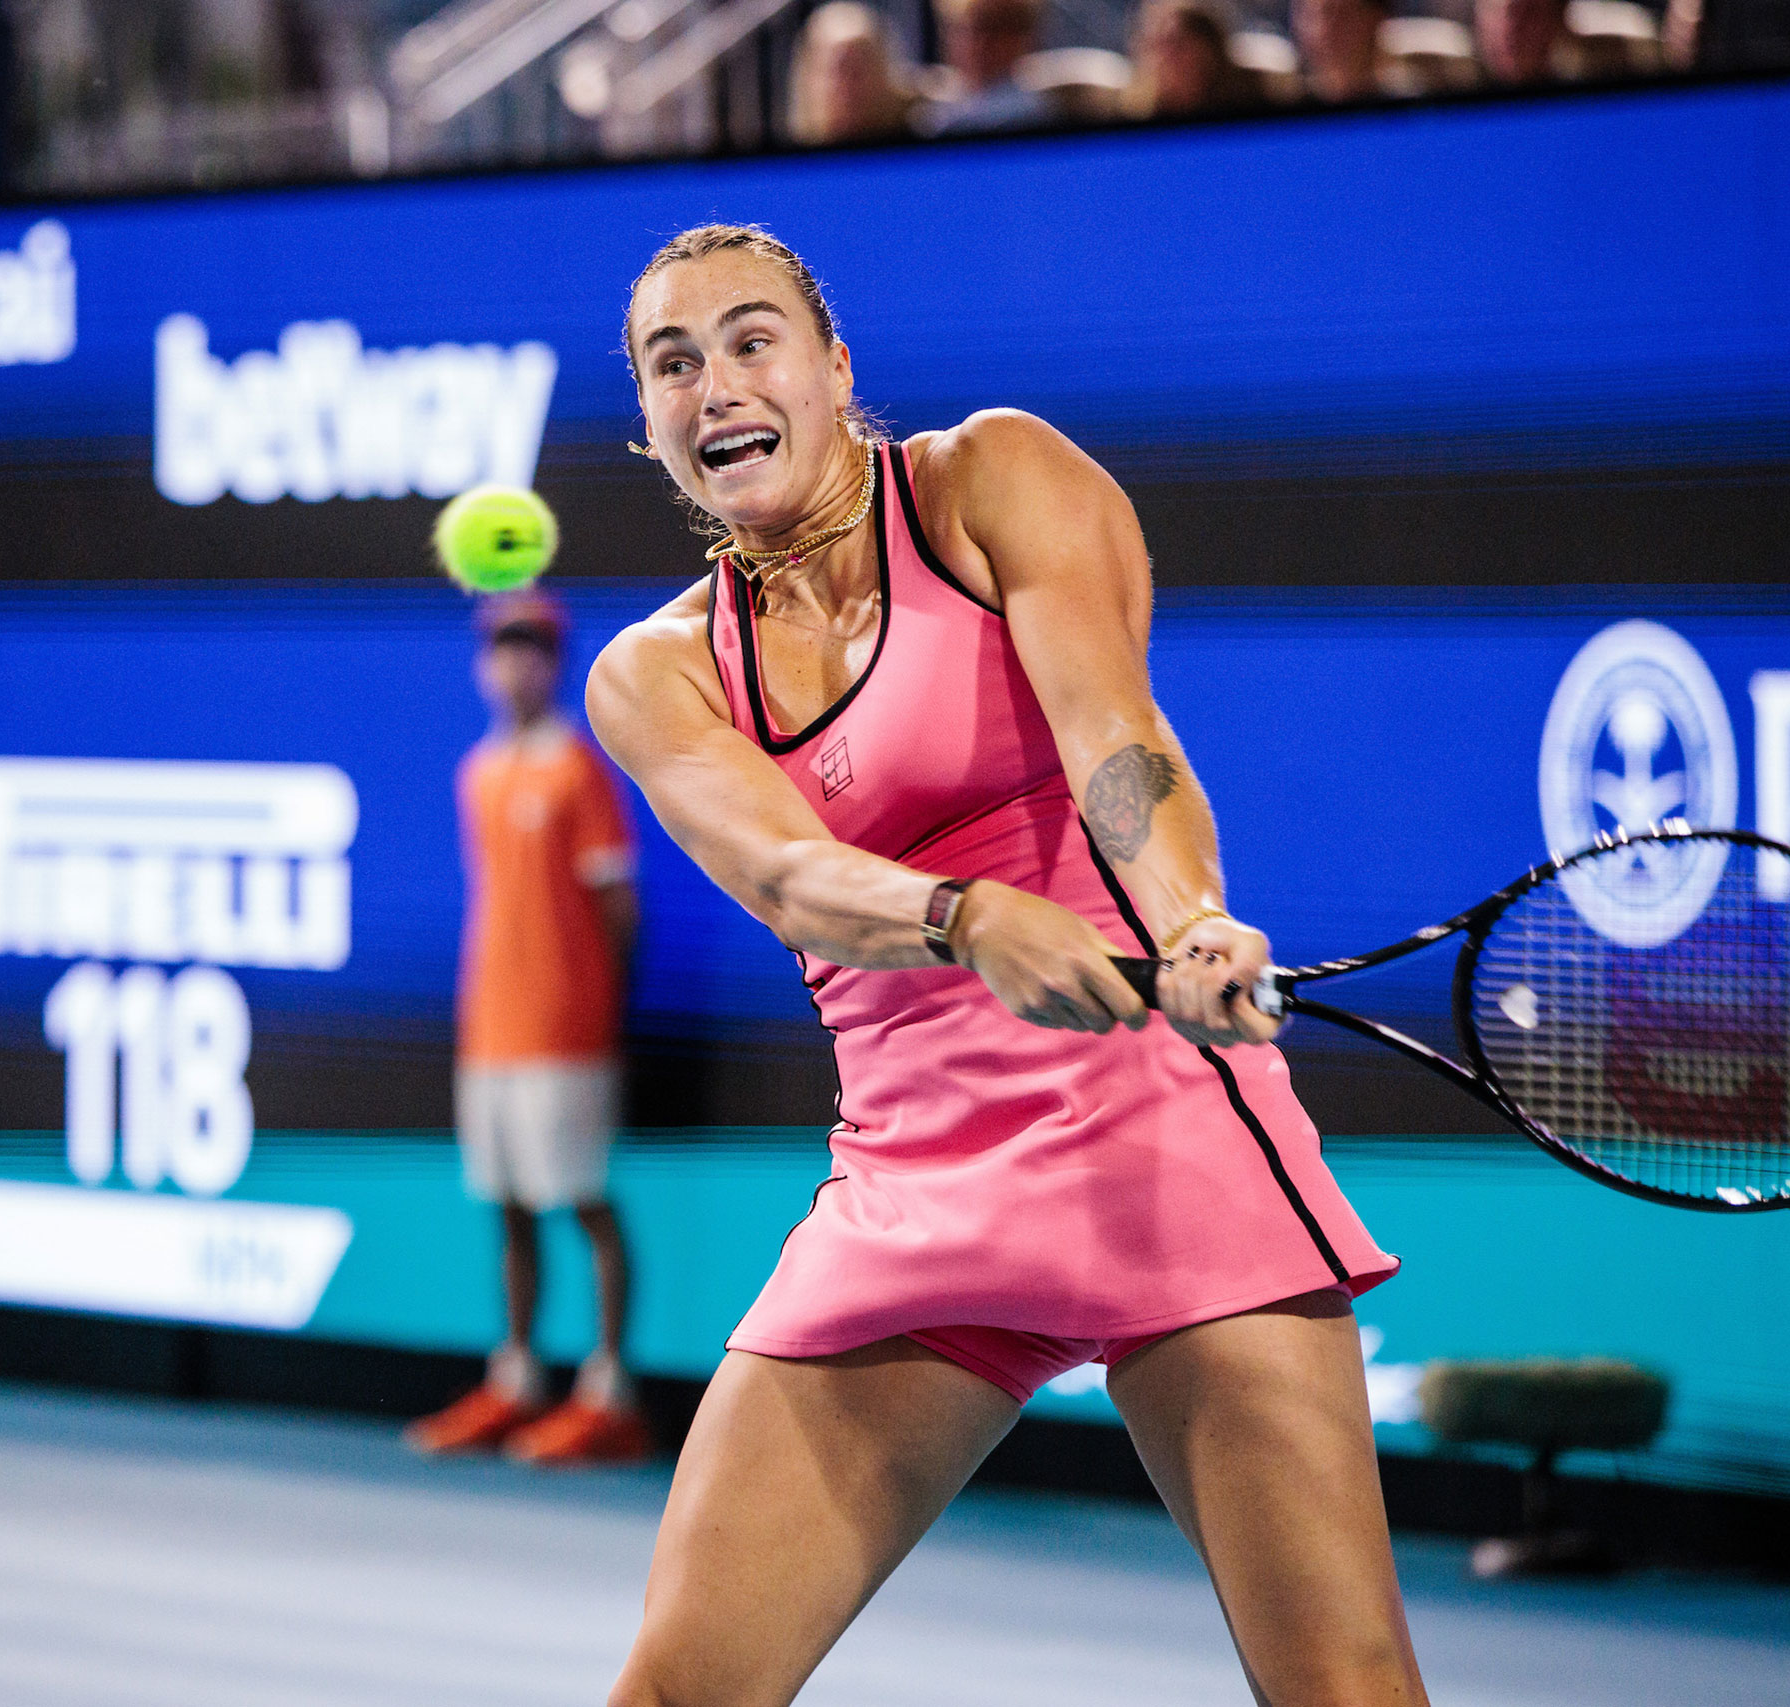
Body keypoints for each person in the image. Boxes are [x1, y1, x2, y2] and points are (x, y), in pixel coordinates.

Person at [592, 224, 1423, 1705]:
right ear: (650, 426)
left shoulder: (991, 479)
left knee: (1343, 1687)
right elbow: (787, 874)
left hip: (1159, 1137)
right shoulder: (657, 670)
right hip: (916, 1190)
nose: (716, 381)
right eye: (674, 363)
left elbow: (1117, 739)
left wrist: (1188, 922)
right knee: (676, 1688)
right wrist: (965, 919)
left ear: (836, 367)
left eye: (750, 338)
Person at [404, 591, 650, 1467]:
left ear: (556, 664)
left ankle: (610, 1392)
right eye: (504, 648)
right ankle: (514, 1381)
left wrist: (588, 1005)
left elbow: (618, 908)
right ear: (484, 665)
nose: (518, 663)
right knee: (508, 1208)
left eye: (535, 648)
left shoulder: (577, 773)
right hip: (491, 1031)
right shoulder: (478, 770)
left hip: (565, 1033)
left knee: (582, 1201)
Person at [788, 2, 919, 145]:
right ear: (809, 79)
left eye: (858, 71)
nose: (848, 87)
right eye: (837, 71)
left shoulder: (922, 151)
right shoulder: (783, 161)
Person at [918, 0, 1057, 134]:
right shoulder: (929, 110)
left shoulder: (1030, 115)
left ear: (1023, 38)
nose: (981, 43)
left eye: (995, 30)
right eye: (969, 28)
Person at [1127, 0, 1268, 117]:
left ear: (1209, 50)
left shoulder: (1249, 99)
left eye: (1177, 44)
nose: (1164, 58)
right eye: (1156, 46)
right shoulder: (1137, 112)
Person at [1296, 0, 1392, 100]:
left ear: (1375, 18)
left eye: (1343, 15)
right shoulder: (1289, 108)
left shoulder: (1402, 108)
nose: (1324, 31)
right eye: (1312, 17)